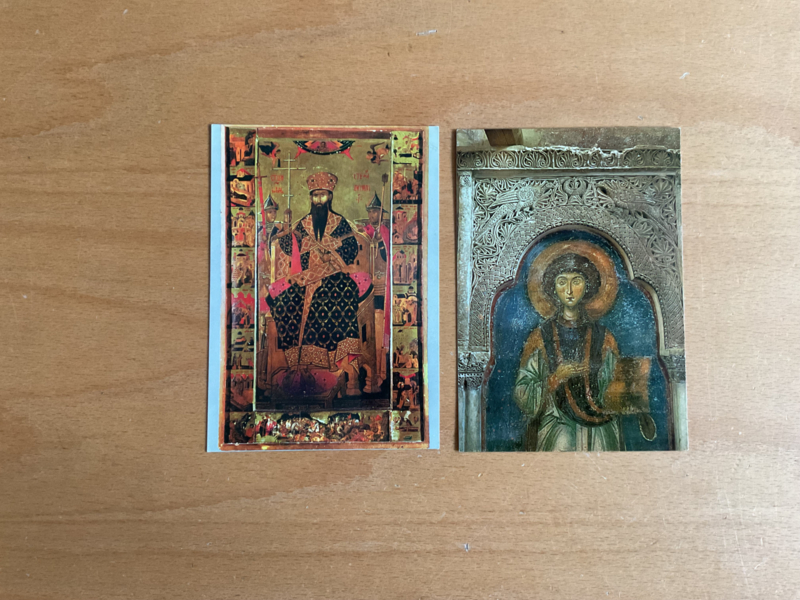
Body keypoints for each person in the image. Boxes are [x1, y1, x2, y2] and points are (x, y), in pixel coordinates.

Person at [513, 243, 622, 451]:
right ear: (553, 288)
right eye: (562, 282)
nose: (569, 290)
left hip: (599, 425)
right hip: (557, 421)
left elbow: (617, 387)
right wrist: (555, 378)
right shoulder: (540, 337)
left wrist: (603, 380)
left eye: (576, 281)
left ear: (587, 287)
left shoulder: (604, 337)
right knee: (561, 442)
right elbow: (523, 391)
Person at [266, 172, 370, 375]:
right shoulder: (304, 223)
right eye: (315, 196)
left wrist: (333, 252)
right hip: (307, 277)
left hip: (334, 275)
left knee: (336, 297)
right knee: (285, 303)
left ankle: (336, 361)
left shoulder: (339, 222)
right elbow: (290, 247)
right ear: (311, 198)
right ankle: (301, 362)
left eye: (322, 195)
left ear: (330, 196)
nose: (319, 200)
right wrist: (286, 232)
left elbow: (350, 247)